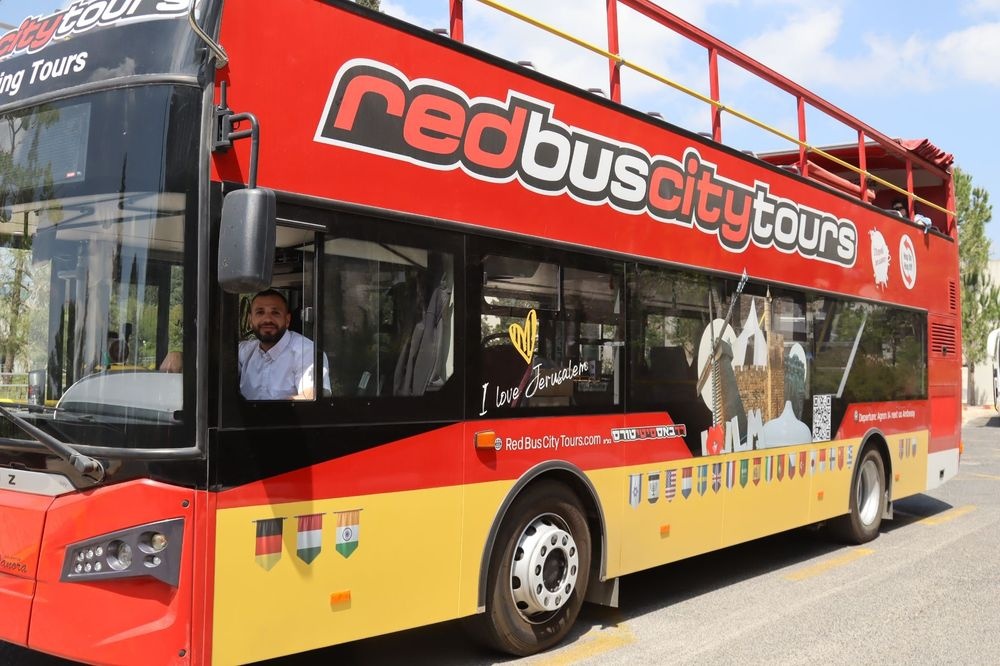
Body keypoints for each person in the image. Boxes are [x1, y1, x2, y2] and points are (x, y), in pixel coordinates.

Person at [237, 289, 330, 400]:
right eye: (260, 312)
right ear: (250, 320)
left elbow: (310, 397)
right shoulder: (244, 351)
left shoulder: (306, 352)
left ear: (287, 320)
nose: (267, 319)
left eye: (275, 313)